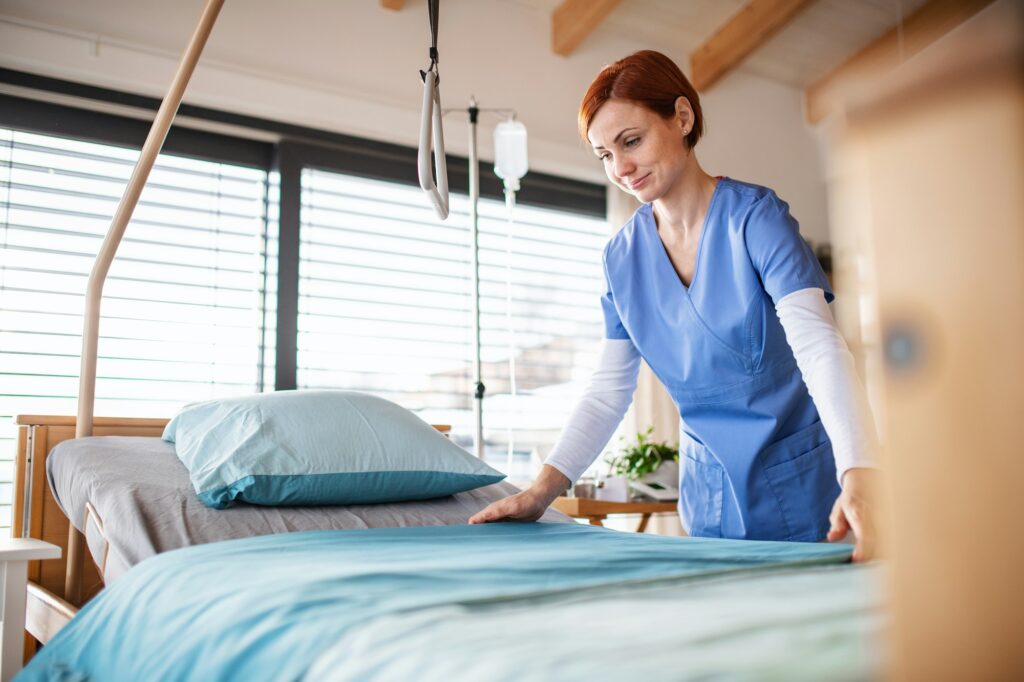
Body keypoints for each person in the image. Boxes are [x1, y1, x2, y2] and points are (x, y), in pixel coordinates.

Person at [469, 50, 879, 561]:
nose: (620, 168)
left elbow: (818, 346)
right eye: (604, 154)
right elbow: (607, 391)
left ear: (682, 118)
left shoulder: (755, 219)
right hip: (708, 494)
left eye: (631, 141)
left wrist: (860, 470)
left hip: (803, 484)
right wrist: (540, 491)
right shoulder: (622, 259)